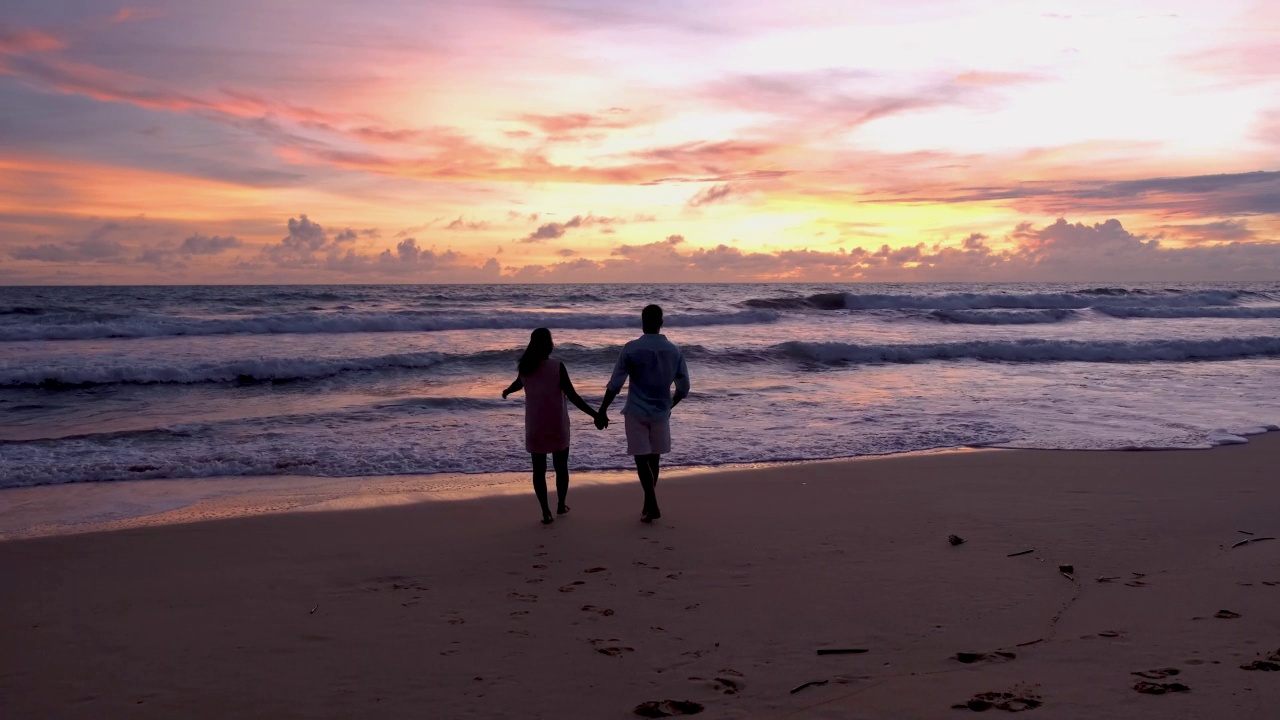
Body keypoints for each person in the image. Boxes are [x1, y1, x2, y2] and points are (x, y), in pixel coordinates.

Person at [597, 304, 689, 523]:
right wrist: (669, 405)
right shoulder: (674, 350)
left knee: (641, 461)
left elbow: (615, 385)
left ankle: (653, 505)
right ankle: (649, 504)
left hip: (636, 411)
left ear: (642, 321)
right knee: (654, 459)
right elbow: (683, 389)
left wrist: (602, 410)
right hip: (660, 412)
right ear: (661, 322)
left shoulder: (631, 349)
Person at [502, 328, 604, 524]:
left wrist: (507, 390)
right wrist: (596, 415)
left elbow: (518, 384)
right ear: (549, 345)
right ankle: (561, 504)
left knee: (538, 470)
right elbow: (573, 396)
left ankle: (545, 512)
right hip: (557, 423)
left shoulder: (526, 368)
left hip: (535, 425)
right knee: (561, 467)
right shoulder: (557, 366)